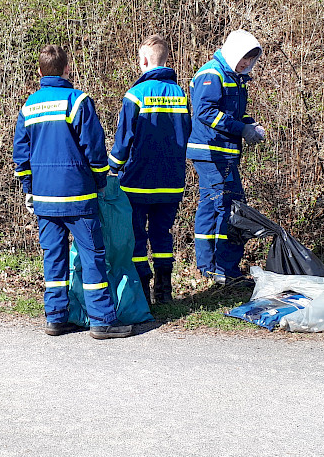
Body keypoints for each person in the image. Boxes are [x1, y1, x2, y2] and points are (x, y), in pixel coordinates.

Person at [13, 45, 131, 339]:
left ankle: (55, 318)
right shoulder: (77, 101)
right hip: (78, 197)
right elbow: (94, 148)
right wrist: (101, 181)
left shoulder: (29, 107)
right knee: (92, 256)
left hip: (44, 199)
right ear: (68, 69)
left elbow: (21, 155)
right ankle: (102, 320)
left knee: (54, 257)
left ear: (39, 73)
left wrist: (29, 190)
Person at [107, 34, 191, 305]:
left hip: (138, 180)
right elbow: (186, 132)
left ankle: (142, 291)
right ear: (166, 60)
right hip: (172, 179)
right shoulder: (180, 94)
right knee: (162, 235)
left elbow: (124, 139)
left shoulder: (135, 95)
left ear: (143, 60)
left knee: (137, 238)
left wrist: (112, 168)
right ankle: (165, 292)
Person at [186, 30, 266, 286]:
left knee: (211, 207)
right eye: (244, 57)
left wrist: (249, 125)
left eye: (251, 59)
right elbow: (206, 113)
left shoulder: (235, 76)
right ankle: (225, 270)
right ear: (233, 52)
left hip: (222, 152)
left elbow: (228, 114)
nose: (246, 63)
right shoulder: (213, 74)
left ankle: (208, 268)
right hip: (212, 151)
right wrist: (241, 129)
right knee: (230, 206)